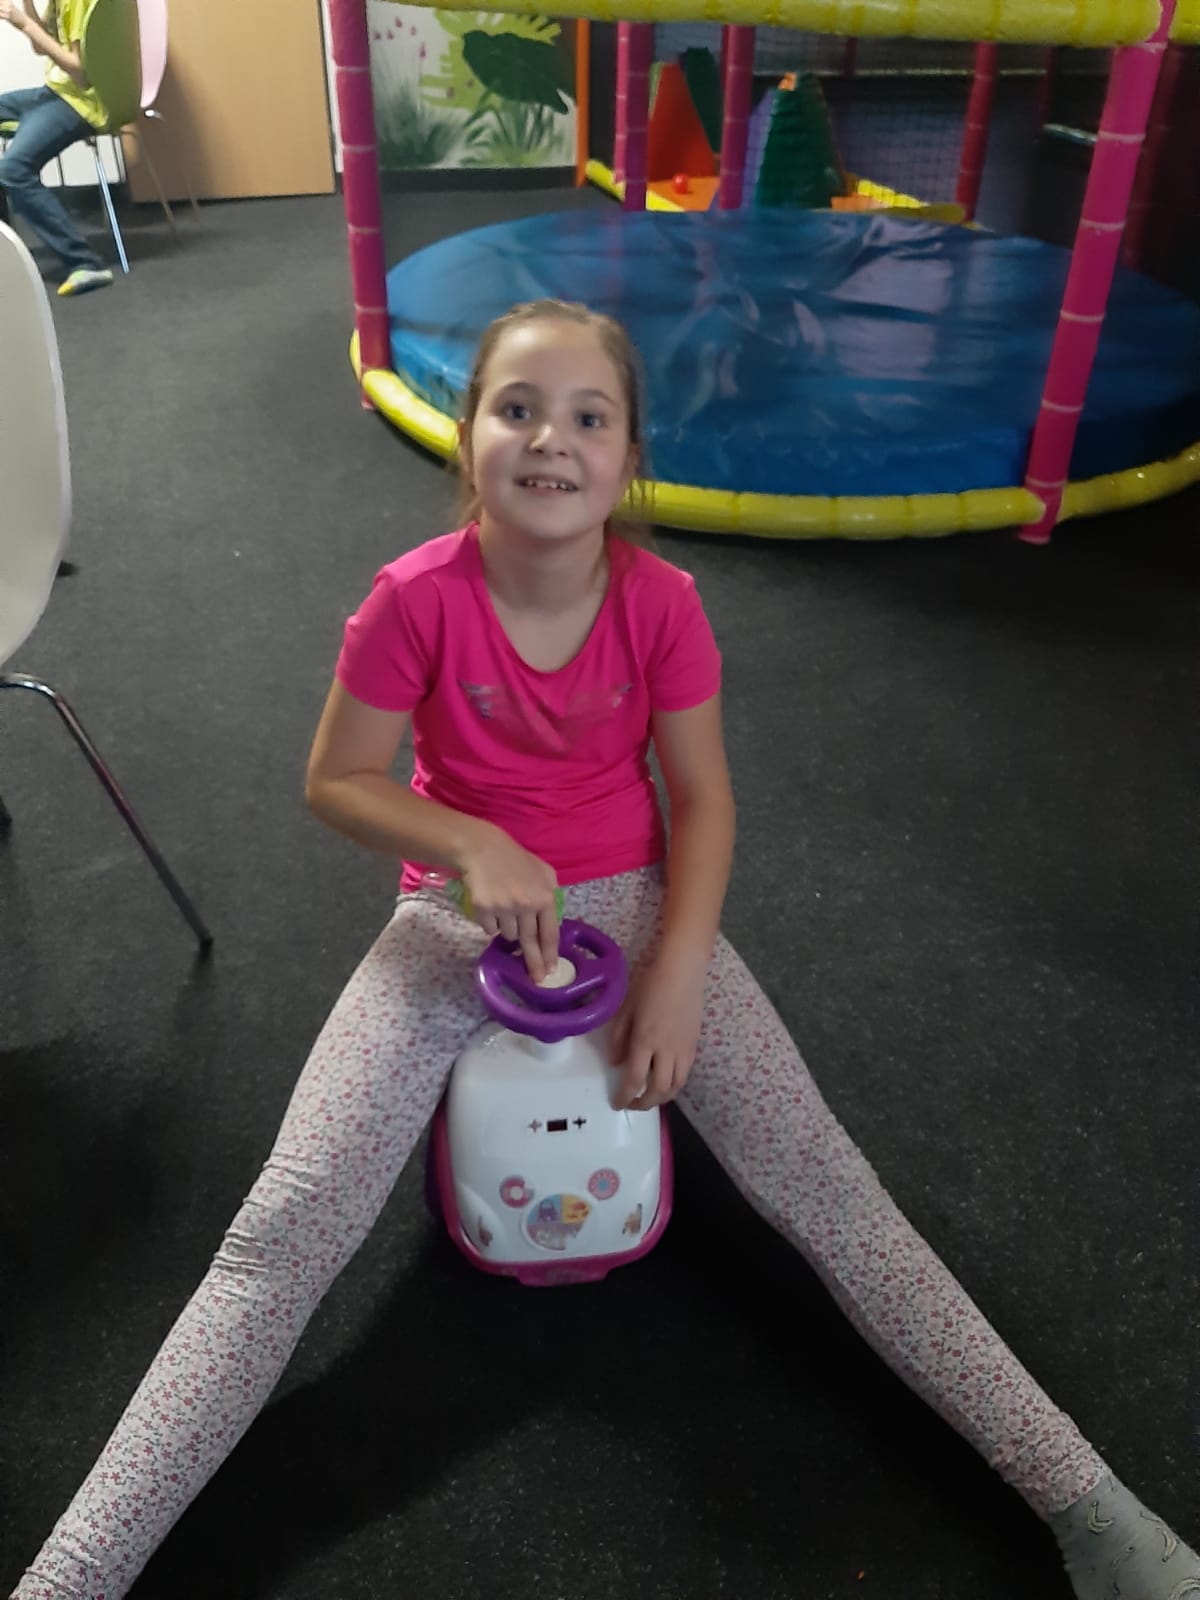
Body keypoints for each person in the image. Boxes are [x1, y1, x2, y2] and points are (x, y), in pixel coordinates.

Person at [10, 298, 1196, 1600]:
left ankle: (1091, 1508)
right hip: (451, 916)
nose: (550, 439)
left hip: (632, 897)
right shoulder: (411, 600)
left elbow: (704, 801)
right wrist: (469, 841)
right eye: (518, 409)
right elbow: (336, 779)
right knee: (279, 1232)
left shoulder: (663, 603)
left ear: (629, 457)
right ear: (468, 434)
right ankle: (74, 1576)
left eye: (589, 417)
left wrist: (679, 969)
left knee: (831, 1190)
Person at [0, 0, 114, 295]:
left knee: (13, 169)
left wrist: (24, 23)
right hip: (54, 93)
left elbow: (79, 70)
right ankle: (5, 249)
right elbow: (42, 48)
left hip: (82, 102)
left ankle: (85, 262)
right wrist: (28, 8)